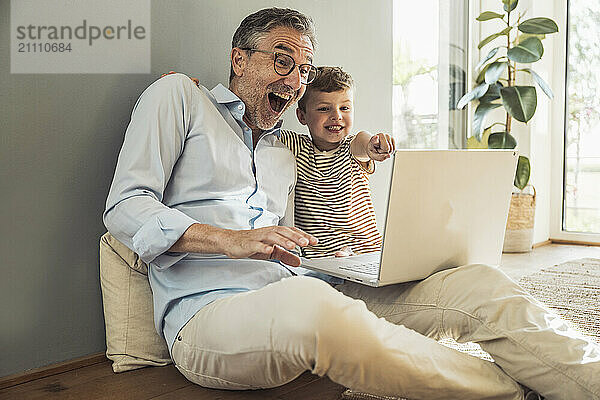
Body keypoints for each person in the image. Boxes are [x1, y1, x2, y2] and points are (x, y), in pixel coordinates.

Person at [104, 7, 600, 400]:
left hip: (306, 283)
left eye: (303, 70)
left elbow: (344, 149)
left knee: (476, 284)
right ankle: (512, 393)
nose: (296, 80)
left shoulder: (286, 143)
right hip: (208, 318)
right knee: (313, 304)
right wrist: (234, 240)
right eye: (282, 61)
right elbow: (126, 206)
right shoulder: (179, 97)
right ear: (239, 60)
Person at [279, 66, 394, 259]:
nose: (337, 116)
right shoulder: (296, 146)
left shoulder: (351, 147)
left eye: (345, 108)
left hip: (366, 251)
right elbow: (265, 132)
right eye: (324, 109)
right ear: (302, 116)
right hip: (319, 257)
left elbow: (363, 142)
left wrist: (373, 145)